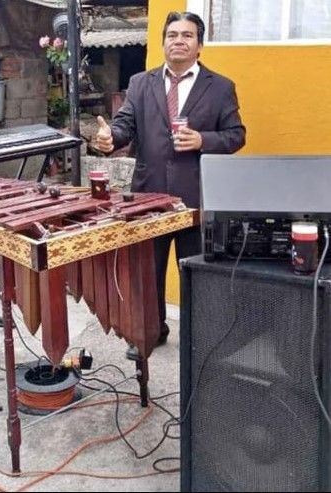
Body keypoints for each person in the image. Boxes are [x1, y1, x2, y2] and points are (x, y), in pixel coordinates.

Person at [94, 11, 245, 350]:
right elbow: (124, 126)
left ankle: (199, 339)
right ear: (163, 42)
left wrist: (204, 140)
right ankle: (151, 332)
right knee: (148, 274)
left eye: (187, 35)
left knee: (196, 275)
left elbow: (236, 136)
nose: (179, 40)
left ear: (200, 45)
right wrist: (109, 139)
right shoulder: (140, 83)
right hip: (149, 197)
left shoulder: (220, 87)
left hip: (196, 199)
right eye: (172, 34)